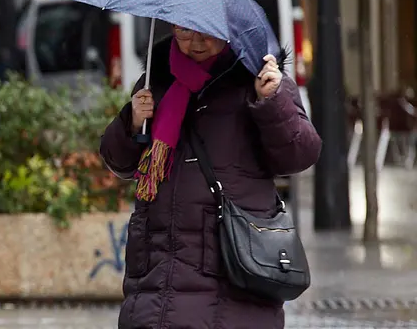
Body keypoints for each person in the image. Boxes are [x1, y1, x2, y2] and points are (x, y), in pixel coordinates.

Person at [100, 26, 321, 329]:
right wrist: (133, 122)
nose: (196, 42)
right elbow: (119, 162)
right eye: (184, 32)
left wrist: (272, 101)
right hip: (155, 280)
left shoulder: (255, 79)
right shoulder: (156, 80)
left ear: (226, 28)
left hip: (230, 277)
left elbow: (300, 155)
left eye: (206, 32)